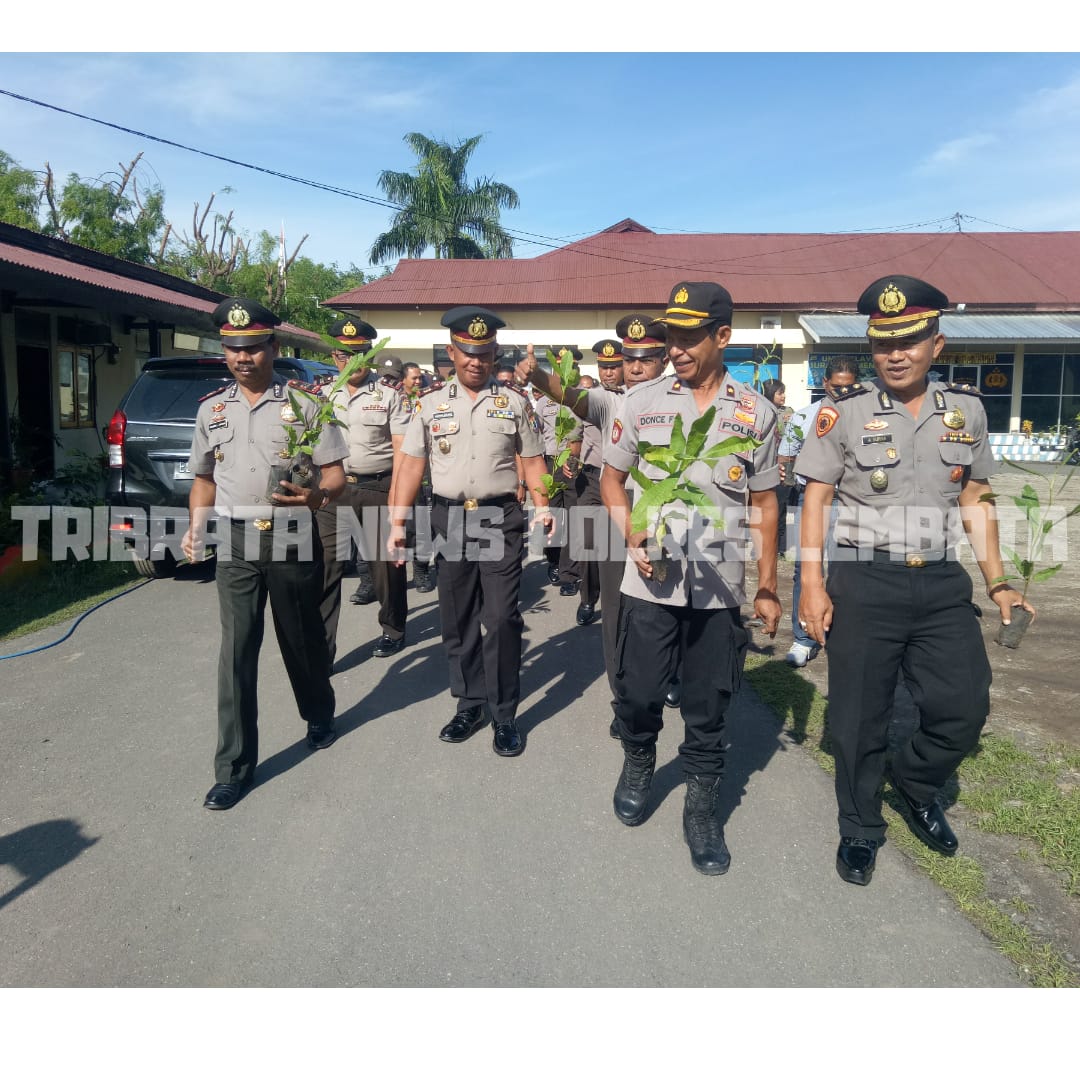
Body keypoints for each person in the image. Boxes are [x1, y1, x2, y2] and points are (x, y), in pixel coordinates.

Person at [796, 274, 1035, 886]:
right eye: (883, 343)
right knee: (856, 717)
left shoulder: (968, 411)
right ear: (871, 349)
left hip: (940, 582)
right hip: (863, 580)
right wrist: (812, 585)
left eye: (910, 340)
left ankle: (916, 778)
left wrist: (999, 582)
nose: (895, 354)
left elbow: (976, 499)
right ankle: (860, 827)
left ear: (937, 344)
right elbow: (816, 501)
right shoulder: (839, 416)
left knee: (964, 704)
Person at [602, 281, 782, 875]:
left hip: (719, 584)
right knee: (640, 690)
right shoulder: (640, 403)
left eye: (688, 336)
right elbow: (611, 480)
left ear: (722, 337)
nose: (675, 347)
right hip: (649, 580)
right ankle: (638, 757)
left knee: (708, 703)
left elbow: (764, 504)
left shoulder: (757, 414)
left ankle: (702, 805)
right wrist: (631, 533)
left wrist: (767, 585)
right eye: (671, 335)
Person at [182, 297, 348, 811]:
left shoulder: (305, 407)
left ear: (273, 348)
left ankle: (318, 712)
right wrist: (196, 527)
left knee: (300, 639)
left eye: (252, 348)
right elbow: (204, 478)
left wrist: (316, 497)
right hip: (235, 540)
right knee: (236, 650)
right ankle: (233, 767)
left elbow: (336, 477)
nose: (242, 358)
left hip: (290, 535)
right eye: (233, 349)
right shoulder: (212, 410)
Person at [388, 306, 554, 756]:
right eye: (466, 352)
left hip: (500, 517)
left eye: (484, 353)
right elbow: (410, 468)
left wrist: (544, 506)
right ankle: (470, 703)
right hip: (449, 517)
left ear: (495, 352)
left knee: (501, 618)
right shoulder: (428, 405)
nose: (475, 361)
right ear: (451, 351)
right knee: (458, 617)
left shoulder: (515, 404)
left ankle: (504, 714)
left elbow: (535, 461)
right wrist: (396, 523)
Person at [314, 320, 411, 663]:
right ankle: (322, 647)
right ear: (335, 356)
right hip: (330, 491)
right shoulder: (321, 395)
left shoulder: (389, 395)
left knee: (385, 567)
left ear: (370, 357)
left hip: (376, 487)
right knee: (325, 568)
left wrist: (399, 500)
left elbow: (402, 453)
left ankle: (393, 628)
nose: (350, 362)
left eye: (359, 355)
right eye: (343, 355)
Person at [777, 358, 860, 667]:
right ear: (825, 383)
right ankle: (803, 638)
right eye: (836, 386)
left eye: (849, 386)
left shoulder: (865, 418)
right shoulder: (803, 418)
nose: (842, 392)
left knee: (847, 568)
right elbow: (785, 456)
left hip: (850, 501)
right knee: (806, 569)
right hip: (807, 500)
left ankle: (841, 633)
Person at [761, 379, 793, 556]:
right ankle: (764, 545)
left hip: (783, 466)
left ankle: (780, 548)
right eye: (780, 393)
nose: (784, 396)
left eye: (784, 392)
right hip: (764, 466)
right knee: (763, 509)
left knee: (780, 508)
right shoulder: (761, 411)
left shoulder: (789, 413)